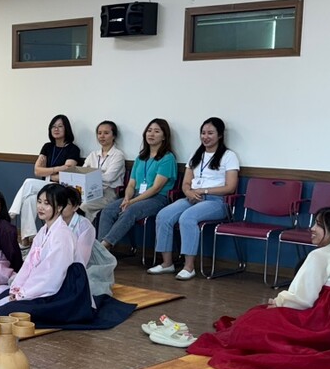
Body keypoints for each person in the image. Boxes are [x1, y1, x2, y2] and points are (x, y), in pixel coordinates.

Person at [188, 207, 330, 369]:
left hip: (327, 320)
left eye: (318, 225)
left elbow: (303, 299)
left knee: (254, 319)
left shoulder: (320, 255)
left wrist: (279, 302)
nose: (311, 228)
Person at [0, 185, 94, 324]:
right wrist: (17, 288)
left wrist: (25, 293)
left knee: (4, 311)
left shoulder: (62, 235)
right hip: (43, 284)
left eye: (46, 203)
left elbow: (53, 274)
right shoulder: (43, 231)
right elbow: (29, 264)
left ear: (59, 207)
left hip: (62, 290)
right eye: (39, 201)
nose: (40, 207)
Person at [148, 117, 239, 281]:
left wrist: (203, 190)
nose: (206, 137)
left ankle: (189, 267)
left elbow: (230, 187)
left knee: (187, 218)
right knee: (164, 215)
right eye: (203, 133)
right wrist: (188, 191)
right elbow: (186, 183)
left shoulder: (228, 156)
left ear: (219, 135)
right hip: (192, 198)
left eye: (210, 133)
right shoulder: (196, 155)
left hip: (216, 201)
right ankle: (167, 263)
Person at [98, 118, 177, 251]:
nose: (151, 134)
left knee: (130, 210)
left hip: (157, 198)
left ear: (164, 136)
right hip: (135, 195)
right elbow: (131, 184)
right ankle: (103, 253)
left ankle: (103, 248)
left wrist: (132, 202)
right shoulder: (140, 158)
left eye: (157, 131)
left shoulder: (167, 158)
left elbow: (156, 188)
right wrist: (127, 198)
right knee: (108, 210)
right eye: (149, 131)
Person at [8, 115, 82, 244]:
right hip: (45, 185)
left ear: (67, 129)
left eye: (60, 126)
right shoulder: (47, 147)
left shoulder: (73, 149)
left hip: (62, 187)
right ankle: (27, 240)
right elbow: (37, 170)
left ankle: (12, 214)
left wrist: (48, 172)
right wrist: (57, 169)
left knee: (28, 182)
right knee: (28, 200)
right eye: (53, 126)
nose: (56, 129)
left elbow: (67, 172)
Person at [60, 185, 117, 298]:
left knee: (85, 288)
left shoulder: (84, 225)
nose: (60, 207)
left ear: (75, 207)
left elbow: (82, 259)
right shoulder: (55, 222)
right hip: (64, 261)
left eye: (65, 204)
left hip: (88, 263)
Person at [78, 120, 127, 218]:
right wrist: (96, 175)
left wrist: (91, 175)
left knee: (84, 206)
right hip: (89, 190)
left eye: (106, 133)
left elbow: (109, 178)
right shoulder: (93, 155)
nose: (102, 136)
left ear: (114, 136)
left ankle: (86, 231)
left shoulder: (118, 155)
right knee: (68, 201)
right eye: (99, 133)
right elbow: (82, 173)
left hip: (109, 192)